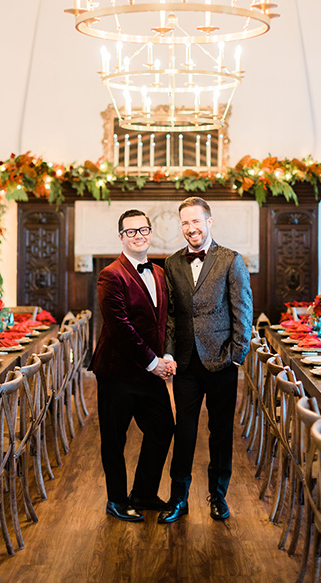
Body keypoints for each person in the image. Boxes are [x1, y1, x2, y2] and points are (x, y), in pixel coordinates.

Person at [158, 197, 253, 523]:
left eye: (196, 221)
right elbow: (171, 316)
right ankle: (179, 498)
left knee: (220, 433)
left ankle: (218, 495)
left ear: (209, 221)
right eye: (185, 222)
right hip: (185, 364)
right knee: (183, 432)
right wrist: (168, 352)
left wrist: (236, 358)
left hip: (222, 363)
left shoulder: (231, 260)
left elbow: (243, 312)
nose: (191, 228)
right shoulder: (171, 264)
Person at [90, 208, 176, 522]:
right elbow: (120, 327)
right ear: (121, 237)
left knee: (164, 427)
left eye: (143, 230)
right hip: (116, 372)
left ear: (151, 233)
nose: (138, 236)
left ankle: (142, 493)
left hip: (150, 369)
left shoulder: (160, 272)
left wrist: (165, 355)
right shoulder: (110, 274)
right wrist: (152, 362)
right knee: (115, 438)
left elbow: (162, 321)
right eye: (131, 231)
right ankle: (116, 500)